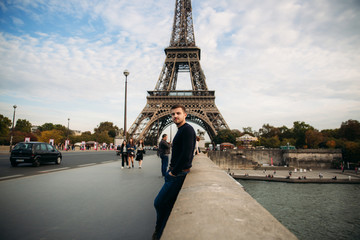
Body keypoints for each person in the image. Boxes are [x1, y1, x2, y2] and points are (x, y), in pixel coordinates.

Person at [153, 104, 196, 240]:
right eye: (173, 114)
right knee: (167, 204)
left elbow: (187, 154)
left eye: (178, 113)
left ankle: (159, 231)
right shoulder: (182, 129)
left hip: (177, 175)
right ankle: (161, 231)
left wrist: (173, 173)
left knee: (159, 203)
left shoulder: (187, 130)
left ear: (185, 114)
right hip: (176, 173)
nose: (175, 116)